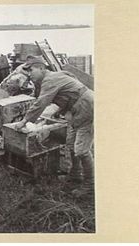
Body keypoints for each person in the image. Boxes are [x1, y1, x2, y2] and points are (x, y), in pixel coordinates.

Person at [14, 56, 94, 198]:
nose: (29, 74)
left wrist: (24, 121)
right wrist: (61, 109)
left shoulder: (49, 80)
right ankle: (75, 175)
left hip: (86, 108)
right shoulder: (56, 75)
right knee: (70, 144)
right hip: (77, 109)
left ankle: (90, 185)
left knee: (81, 150)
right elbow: (71, 80)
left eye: (31, 70)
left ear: (41, 68)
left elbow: (40, 103)